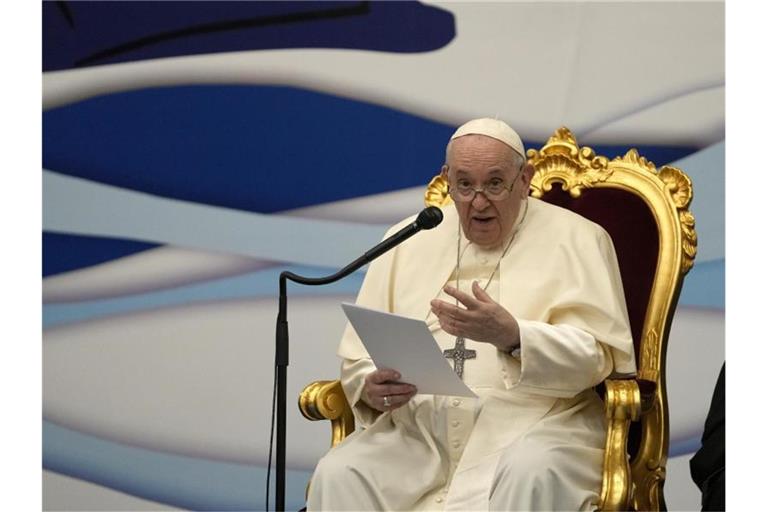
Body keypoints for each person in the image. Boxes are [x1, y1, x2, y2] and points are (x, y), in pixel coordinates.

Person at [307, 118, 637, 511]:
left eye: (495, 184)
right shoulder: (411, 236)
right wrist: (370, 386)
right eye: (464, 185)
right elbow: (360, 355)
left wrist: (513, 336)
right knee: (341, 472)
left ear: (525, 179)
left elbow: (597, 358)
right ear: (446, 178)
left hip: (540, 424)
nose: (478, 202)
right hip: (422, 432)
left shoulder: (580, 238)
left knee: (531, 470)